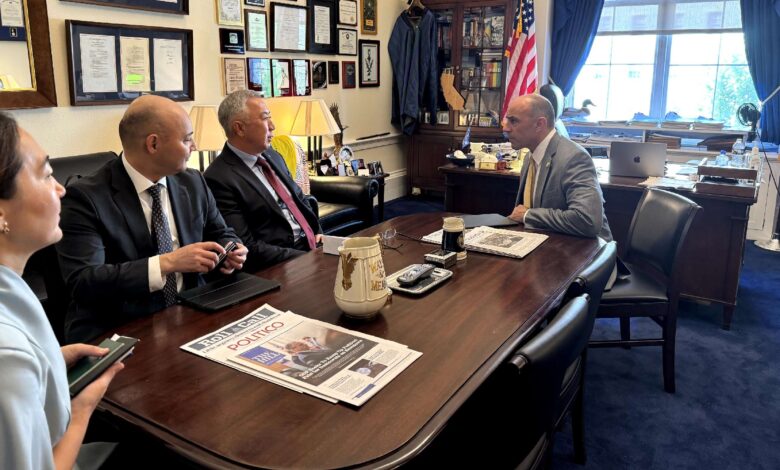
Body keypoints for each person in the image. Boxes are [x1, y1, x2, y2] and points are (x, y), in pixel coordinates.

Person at [57, 95, 247, 343]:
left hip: (193, 308)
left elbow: (221, 232)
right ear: (153, 144)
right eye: (187, 139)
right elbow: (84, 281)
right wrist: (168, 263)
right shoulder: (84, 198)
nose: (195, 146)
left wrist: (232, 249)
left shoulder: (193, 181)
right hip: (122, 324)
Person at [0, 112, 123, 469]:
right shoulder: (8, 357)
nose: (61, 189)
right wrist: (82, 409)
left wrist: (48, 360)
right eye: (46, 174)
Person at [204, 90, 323, 272]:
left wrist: (318, 232)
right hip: (280, 265)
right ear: (239, 128)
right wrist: (307, 258)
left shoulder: (272, 156)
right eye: (265, 118)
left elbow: (299, 199)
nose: (273, 126)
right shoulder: (218, 178)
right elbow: (246, 246)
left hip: (312, 248)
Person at [503, 94, 612, 241]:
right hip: (548, 241)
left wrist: (528, 215)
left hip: (587, 249)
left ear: (539, 124)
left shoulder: (574, 157)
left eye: (513, 121)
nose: (505, 127)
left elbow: (587, 220)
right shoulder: (530, 156)